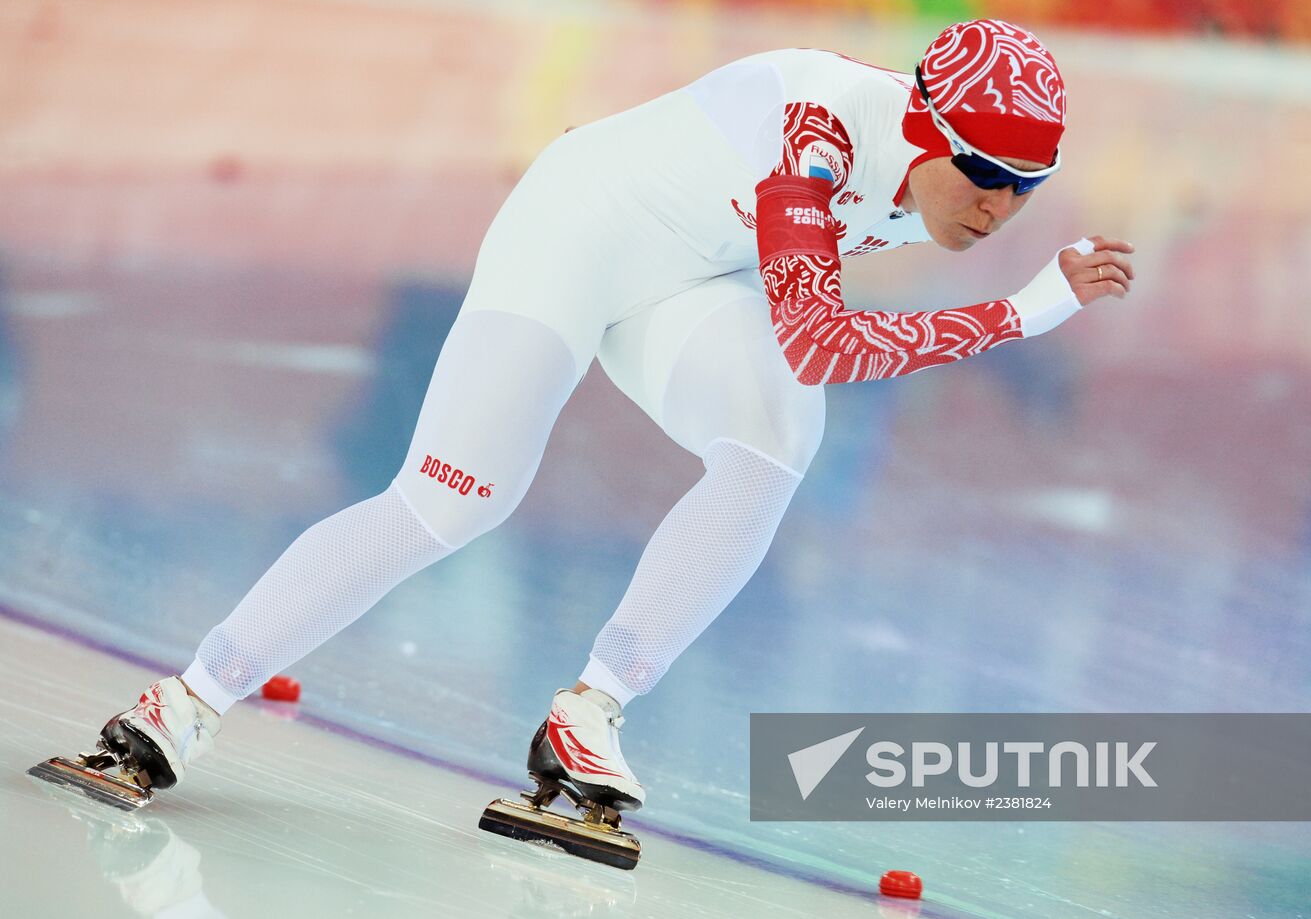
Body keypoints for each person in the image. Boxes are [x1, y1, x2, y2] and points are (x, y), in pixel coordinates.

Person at [90, 19, 1134, 818]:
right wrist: (1025, 310)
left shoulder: (937, 171)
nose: (998, 208)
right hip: (575, 234)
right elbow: (820, 337)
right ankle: (186, 696)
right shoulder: (815, 137)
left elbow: (804, 341)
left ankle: (587, 709)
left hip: (690, 278)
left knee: (775, 441)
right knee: (454, 502)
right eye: (986, 176)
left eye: (1026, 188)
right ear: (922, 127)